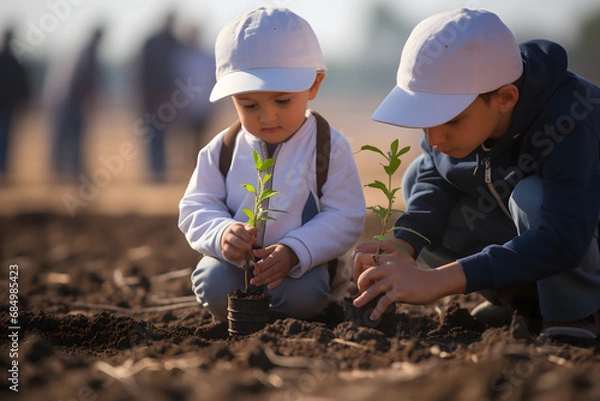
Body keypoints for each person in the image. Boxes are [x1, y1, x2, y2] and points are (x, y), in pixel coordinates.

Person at [353, 8, 600, 339]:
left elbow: (564, 237)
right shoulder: (463, 121)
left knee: (531, 199)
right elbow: (435, 179)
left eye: (451, 120)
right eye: (427, 119)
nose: (435, 138)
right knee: (416, 176)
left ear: (505, 98)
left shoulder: (569, 119)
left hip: (581, 241)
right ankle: (521, 299)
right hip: (547, 248)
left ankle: (577, 314)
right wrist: (405, 242)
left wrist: (438, 280)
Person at [179, 7, 366, 322]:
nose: (267, 117)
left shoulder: (329, 146)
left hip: (303, 269)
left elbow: (346, 216)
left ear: (314, 85)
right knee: (212, 284)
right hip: (237, 269)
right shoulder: (221, 149)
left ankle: (296, 319)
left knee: (304, 298)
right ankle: (245, 317)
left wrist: (295, 250)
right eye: (249, 105)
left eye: (282, 101)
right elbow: (196, 206)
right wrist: (223, 233)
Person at [46, 27, 103, 181]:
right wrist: (89, 99)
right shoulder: (88, 52)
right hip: (70, 102)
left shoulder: (80, 50)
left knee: (65, 137)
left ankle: (63, 169)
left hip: (64, 100)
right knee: (72, 136)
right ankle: (69, 170)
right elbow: (84, 79)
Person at [138, 12, 180, 183]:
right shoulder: (152, 43)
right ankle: (155, 172)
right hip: (151, 100)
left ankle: (160, 171)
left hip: (167, 100)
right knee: (153, 135)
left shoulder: (173, 43)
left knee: (162, 136)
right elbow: (142, 73)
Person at [0, 27, 29, 181]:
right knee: (5, 139)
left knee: (5, 139)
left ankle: (3, 170)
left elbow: (22, 83)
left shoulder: (11, 59)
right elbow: (23, 83)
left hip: (7, 107)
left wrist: (24, 99)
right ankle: (3, 170)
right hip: (8, 106)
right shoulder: (13, 59)